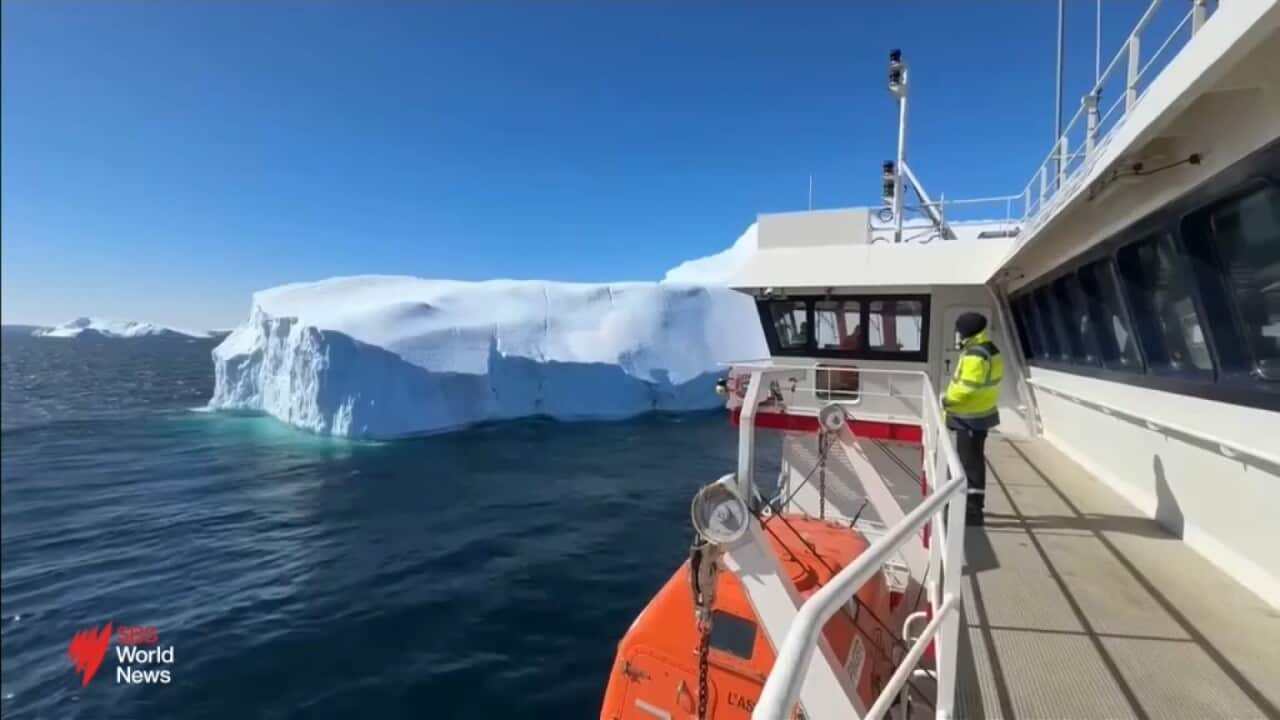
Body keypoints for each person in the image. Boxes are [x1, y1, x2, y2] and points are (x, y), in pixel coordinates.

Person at [942, 312, 1003, 526]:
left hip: (969, 415)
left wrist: (946, 401)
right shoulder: (988, 348)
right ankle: (972, 505)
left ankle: (972, 510)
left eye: (959, 328)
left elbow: (966, 389)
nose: (958, 332)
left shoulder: (975, 354)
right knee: (972, 461)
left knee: (969, 464)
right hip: (980, 412)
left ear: (967, 330)